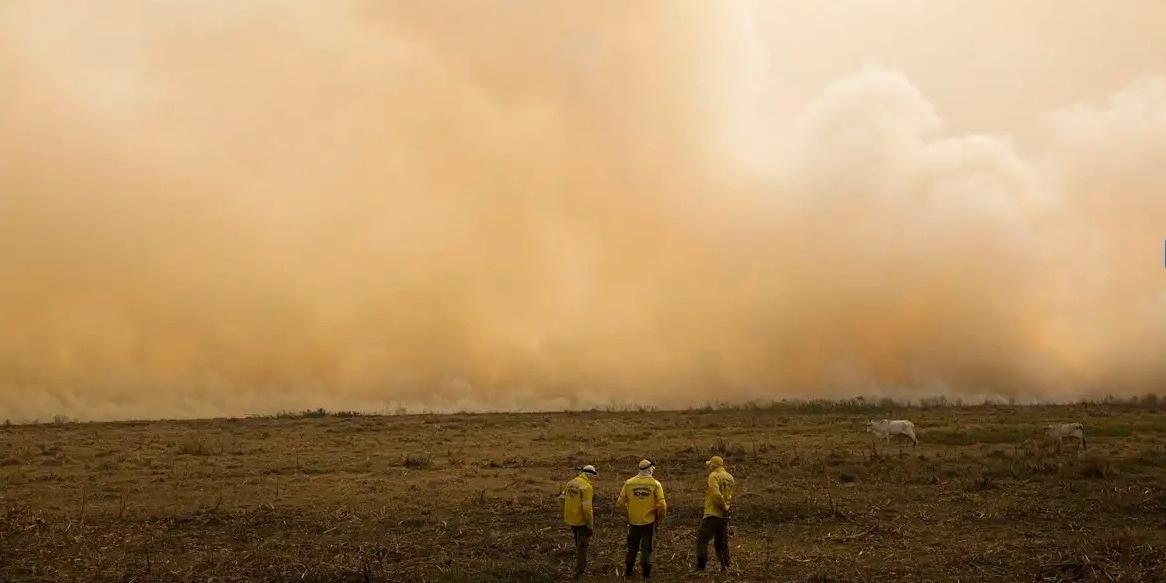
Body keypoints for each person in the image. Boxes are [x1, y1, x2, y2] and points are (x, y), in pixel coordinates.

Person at [616, 459, 667, 578]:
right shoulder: (655, 484)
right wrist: (659, 518)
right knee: (646, 548)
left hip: (633, 522)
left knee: (632, 548)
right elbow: (662, 505)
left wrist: (629, 514)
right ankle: (646, 574)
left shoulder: (629, 483)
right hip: (649, 522)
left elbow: (619, 504)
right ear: (650, 469)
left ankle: (628, 571)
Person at [696, 455, 735, 572]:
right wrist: (726, 508)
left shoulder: (713, 476)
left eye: (710, 464)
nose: (709, 467)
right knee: (722, 542)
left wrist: (722, 506)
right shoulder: (730, 477)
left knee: (701, 539)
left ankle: (701, 567)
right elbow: (729, 495)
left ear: (714, 465)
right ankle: (725, 566)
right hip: (724, 515)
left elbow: (716, 495)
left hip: (713, 513)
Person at [561, 464, 598, 580]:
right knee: (583, 547)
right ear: (590, 474)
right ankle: (580, 572)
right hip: (581, 521)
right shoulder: (587, 487)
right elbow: (587, 509)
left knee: (578, 543)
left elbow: (562, 498)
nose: (593, 478)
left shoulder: (571, 483)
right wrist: (590, 525)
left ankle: (579, 568)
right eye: (593, 475)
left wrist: (567, 512)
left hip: (571, 519)